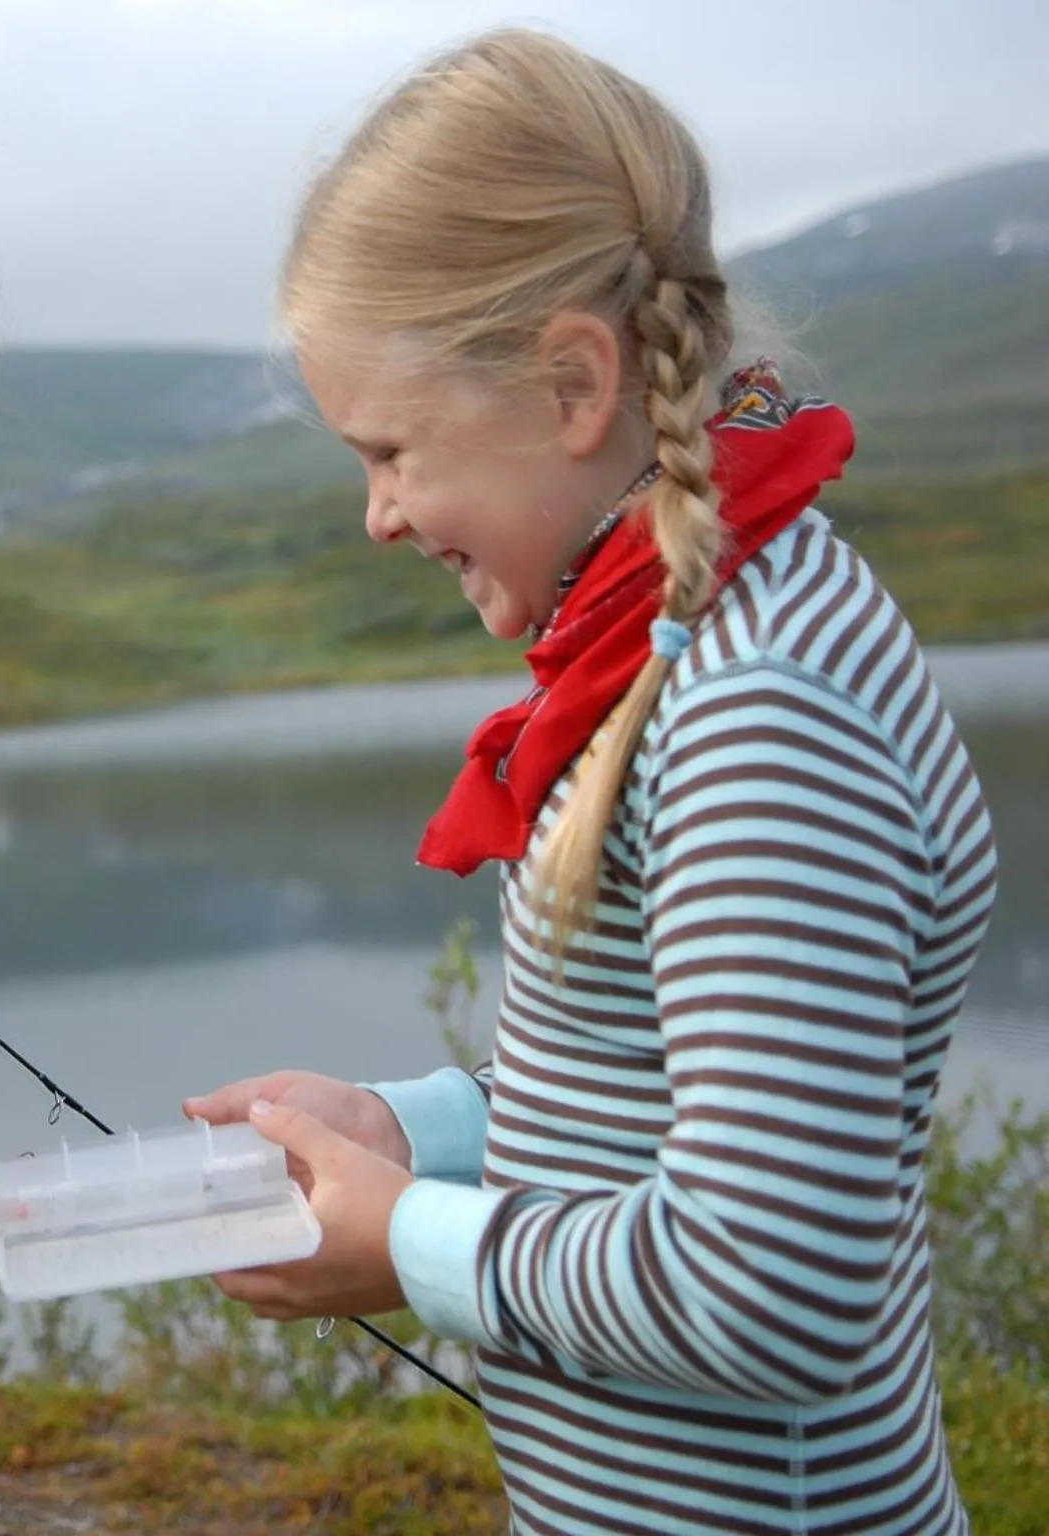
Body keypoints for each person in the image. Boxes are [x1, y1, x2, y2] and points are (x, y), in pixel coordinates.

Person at [185, 29, 998, 1535]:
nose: (376, 516)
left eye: (392, 451)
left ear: (573, 382)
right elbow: (646, 1112)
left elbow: (769, 1292)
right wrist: (399, 1133)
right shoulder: (685, 645)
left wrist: (409, 1247)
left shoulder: (761, 714)